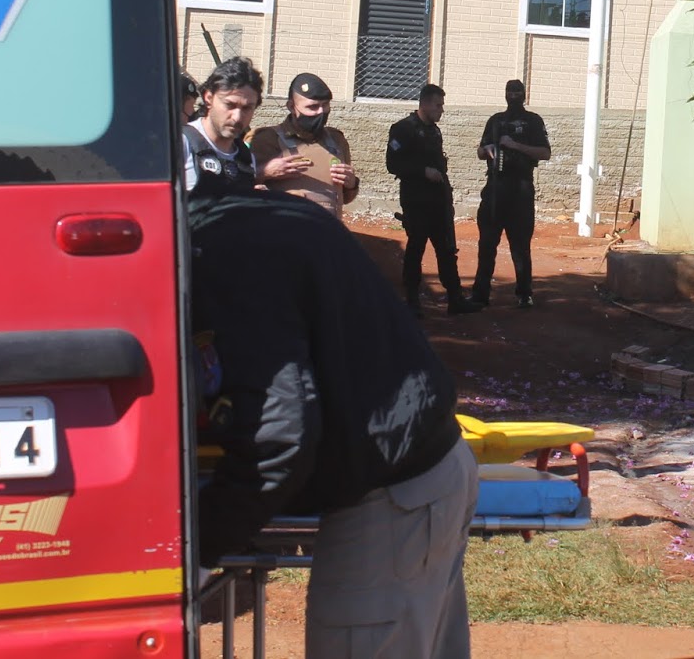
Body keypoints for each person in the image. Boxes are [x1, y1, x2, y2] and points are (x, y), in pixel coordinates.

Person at [189, 188, 478, 658]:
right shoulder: (255, 214)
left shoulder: (221, 258)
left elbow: (276, 440)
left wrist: (196, 553)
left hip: (392, 502)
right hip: (429, 478)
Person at [387, 84, 480, 316]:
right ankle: (412, 300)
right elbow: (393, 164)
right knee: (416, 248)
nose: (441, 110)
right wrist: (422, 171)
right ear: (426, 104)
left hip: (438, 201)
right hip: (416, 201)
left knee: (446, 249)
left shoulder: (434, 131)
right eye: (438, 105)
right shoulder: (403, 129)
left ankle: (455, 298)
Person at [469, 79, 550, 309]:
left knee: (520, 246)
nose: (513, 96)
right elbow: (480, 151)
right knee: (487, 244)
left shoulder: (533, 121)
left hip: (520, 189)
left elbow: (545, 153)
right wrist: (487, 150)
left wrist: (515, 145)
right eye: (509, 92)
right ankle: (480, 294)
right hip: (495, 188)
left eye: (517, 92)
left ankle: (524, 293)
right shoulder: (496, 120)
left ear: (524, 94)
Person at [250, 72, 359, 219]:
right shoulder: (266, 139)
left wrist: (352, 184)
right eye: (313, 107)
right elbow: (239, 187)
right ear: (291, 106)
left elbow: (345, 198)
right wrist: (265, 172)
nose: (321, 112)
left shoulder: (336, 140)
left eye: (325, 105)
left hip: (328, 229)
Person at [182, 57, 261, 196]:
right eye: (230, 105)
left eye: (247, 108)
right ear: (209, 98)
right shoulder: (181, 142)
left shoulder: (246, 157)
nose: (237, 117)